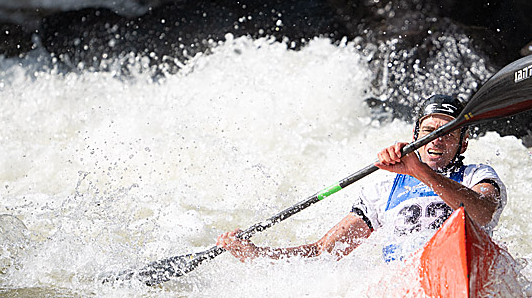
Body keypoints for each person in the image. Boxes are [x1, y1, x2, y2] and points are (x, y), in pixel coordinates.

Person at [216, 94, 507, 263]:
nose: (437, 140)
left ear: (463, 143)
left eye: (448, 133)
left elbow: (482, 213)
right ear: (416, 135)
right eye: (429, 131)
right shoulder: (383, 188)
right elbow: (323, 252)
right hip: (403, 279)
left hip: (461, 265)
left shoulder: (477, 176)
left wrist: (417, 169)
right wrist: (257, 254)